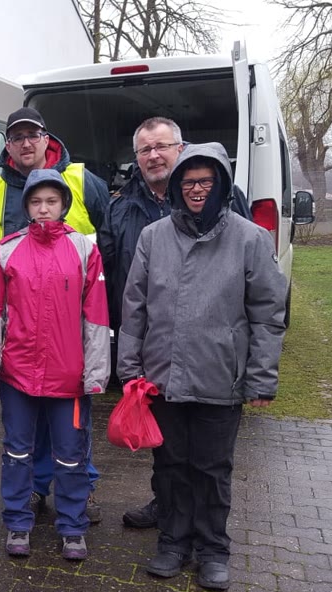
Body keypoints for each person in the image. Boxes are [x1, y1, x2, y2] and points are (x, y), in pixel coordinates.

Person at [117, 142, 286, 590]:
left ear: (222, 184)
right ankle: (173, 542)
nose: (196, 189)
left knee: (212, 470)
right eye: (188, 181)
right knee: (170, 465)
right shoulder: (153, 237)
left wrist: (261, 377)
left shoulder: (251, 238)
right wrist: (129, 368)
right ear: (176, 186)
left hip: (220, 377)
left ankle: (213, 550)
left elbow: (268, 314)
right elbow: (135, 308)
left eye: (206, 181)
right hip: (162, 377)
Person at [108, 118, 251, 529]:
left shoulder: (227, 199)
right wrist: (124, 349)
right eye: (145, 150)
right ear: (137, 158)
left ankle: (202, 528)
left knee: (206, 455)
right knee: (166, 447)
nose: (154, 156)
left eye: (162, 146)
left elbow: (250, 279)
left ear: (180, 148)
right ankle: (166, 507)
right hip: (155, 347)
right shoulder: (120, 205)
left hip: (210, 352)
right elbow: (114, 274)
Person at [0, 106, 110, 522]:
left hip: (68, 347)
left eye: (32, 135)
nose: (25, 143)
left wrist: (97, 363)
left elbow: (109, 237)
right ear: (8, 145)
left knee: (72, 439)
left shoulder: (83, 182)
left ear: (46, 138)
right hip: (22, 350)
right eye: (17, 137)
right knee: (22, 437)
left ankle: (80, 498)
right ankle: (31, 496)